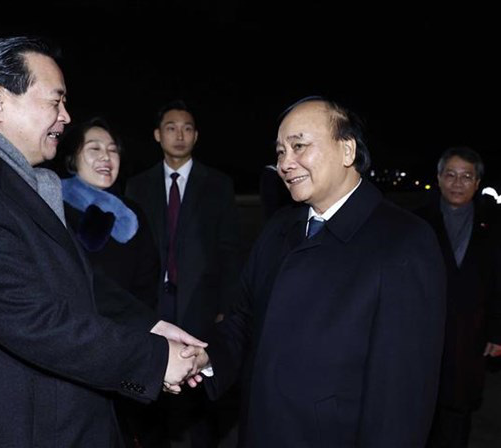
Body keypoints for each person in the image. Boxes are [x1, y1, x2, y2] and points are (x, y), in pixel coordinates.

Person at [0, 36, 204, 448]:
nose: (65, 116)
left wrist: (150, 325)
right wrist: (154, 358)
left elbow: (75, 279)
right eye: (55, 101)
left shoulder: (12, 182)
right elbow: (34, 321)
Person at [191, 96, 447, 447]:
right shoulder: (278, 228)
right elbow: (242, 319)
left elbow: (400, 397)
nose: (285, 163)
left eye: (299, 146)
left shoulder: (404, 242)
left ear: (347, 151)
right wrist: (206, 357)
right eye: (280, 152)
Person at [126, 100, 242, 446]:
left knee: (196, 398)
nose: (180, 134)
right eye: (172, 127)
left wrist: (226, 306)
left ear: (196, 136)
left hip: (201, 304)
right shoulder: (137, 185)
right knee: (152, 394)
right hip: (151, 304)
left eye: (187, 128)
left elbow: (229, 250)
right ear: (158, 135)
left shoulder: (217, 185)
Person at [59, 117, 162, 446]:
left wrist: (137, 330)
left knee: (128, 426)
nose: (106, 157)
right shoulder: (53, 207)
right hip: (76, 346)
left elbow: (148, 277)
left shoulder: (131, 213)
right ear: (73, 158)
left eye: (112, 150)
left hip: (127, 344)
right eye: (94, 149)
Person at [416, 147, 501, 448]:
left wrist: (496, 331)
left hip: (470, 334)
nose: (457, 182)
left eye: (466, 176)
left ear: (477, 183)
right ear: (438, 178)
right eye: (450, 175)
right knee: (420, 409)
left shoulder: (492, 226)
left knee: (458, 411)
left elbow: (497, 282)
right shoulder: (416, 223)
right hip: (422, 335)